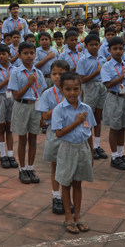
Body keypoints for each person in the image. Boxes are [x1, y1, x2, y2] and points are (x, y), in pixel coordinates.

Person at [52, 71, 95, 234]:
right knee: (66, 183)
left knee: (78, 183)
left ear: (80, 89)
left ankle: (78, 216)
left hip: (83, 148)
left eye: (76, 89)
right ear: (62, 90)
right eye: (68, 89)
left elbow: (89, 132)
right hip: (67, 148)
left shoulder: (86, 109)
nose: (72, 93)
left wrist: (90, 154)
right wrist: (77, 122)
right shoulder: (59, 110)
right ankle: (68, 217)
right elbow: (59, 133)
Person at [8, 42, 47, 184]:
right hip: (22, 106)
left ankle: (31, 168)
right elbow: (16, 96)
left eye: (32, 53)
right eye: (25, 53)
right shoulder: (16, 72)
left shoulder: (39, 73)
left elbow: (42, 94)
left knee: (33, 139)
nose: (29, 56)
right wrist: (29, 83)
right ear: (19, 55)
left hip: (35, 107)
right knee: (23, 139)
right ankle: (22, 169)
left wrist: (43, 115)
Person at [38, 60, 73, 214]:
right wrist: (61, 105)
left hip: (70, 133)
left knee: (69, 166)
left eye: (61, 73)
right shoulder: (47, 93)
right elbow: (45, 116)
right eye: (54, 74)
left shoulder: (73, 91)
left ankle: (67, 196)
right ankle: (56, 196)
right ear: (50, 75)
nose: (58, 77)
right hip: (54, 132)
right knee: (55, 166)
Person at [101, 37, 125, 170]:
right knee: (114, 128)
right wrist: (122, 77)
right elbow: (108, 84)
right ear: (109, 50)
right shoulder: (107, 66)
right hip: (114, 97)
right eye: (115, 49)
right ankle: (114, 156)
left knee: (122, 128)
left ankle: (121, 154)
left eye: (121, 48)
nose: (118, 51)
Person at [76, 34, 108, 159]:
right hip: (89, 87)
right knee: (88, 117)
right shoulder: (83, 60)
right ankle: (88, 144)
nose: (94, 47)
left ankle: (97, 145)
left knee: (98, 117)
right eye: (91, 45)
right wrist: (97, 71)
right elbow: (82, 80)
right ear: (86, 46)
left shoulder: (102, 58)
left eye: (96, 44)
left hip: (102, 87)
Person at [0, 44, 18, 169]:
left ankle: (11, 154)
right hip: (0, 98)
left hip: (12, 98)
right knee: (0, 126)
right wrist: (7, 81)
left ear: (9, 55)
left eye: (4, 54)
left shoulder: (16, 69)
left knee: (9, 128)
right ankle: (3, 155)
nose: (1, 56)